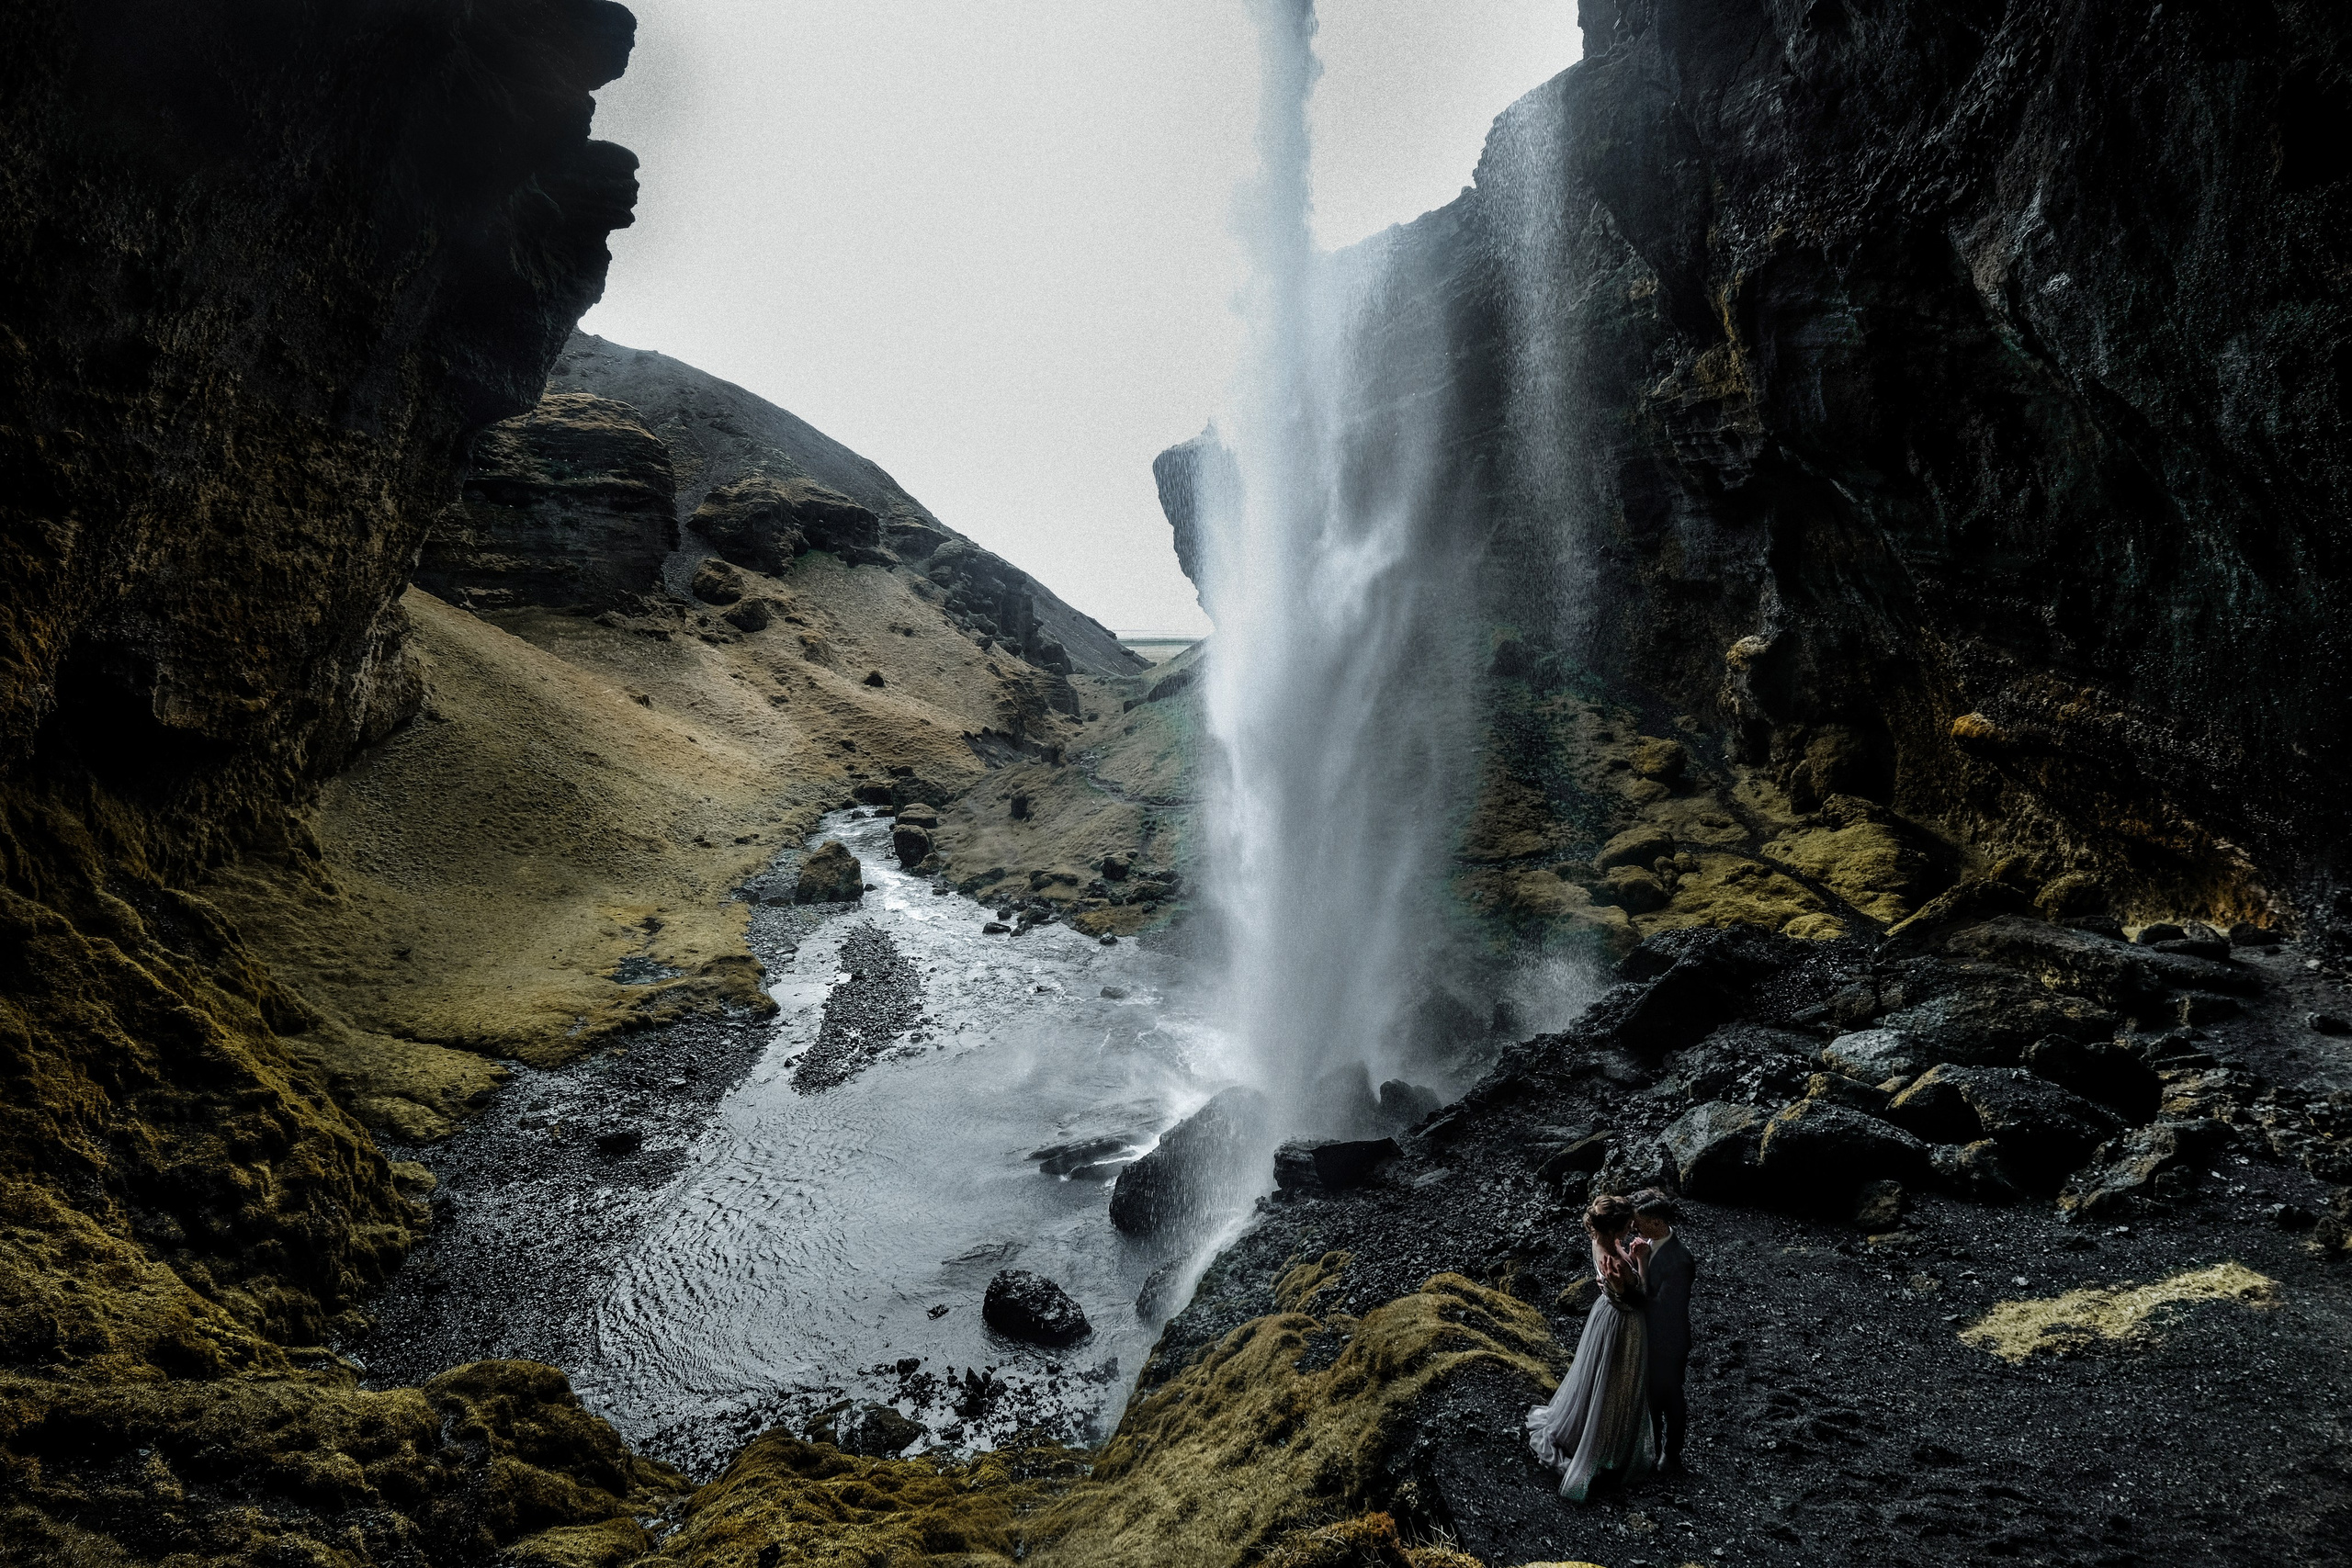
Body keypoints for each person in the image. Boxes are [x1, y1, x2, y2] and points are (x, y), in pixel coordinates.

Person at [1525, 1192, 1657, 1500]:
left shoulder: (1601, 1242)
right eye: (1627, 1225)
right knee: (1615, 1384)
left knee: (1594, 1379)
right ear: (1614, 1229)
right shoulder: (1617, 1262)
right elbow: (1642, 1299)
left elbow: (1616, 1279)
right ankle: (1606, 1446)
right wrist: (1642, 1260)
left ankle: (1579, 1430)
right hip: (1622, 1324)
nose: (1631, 1228)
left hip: (1603, 1315)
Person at [1629, 1187, 1696, 1473]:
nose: (1633, 1227)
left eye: (1638, 1222)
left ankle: (1670, 1454)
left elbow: (1663, 1308)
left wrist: (1626, 1292)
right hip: (1653, 1337)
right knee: (1653, 1397)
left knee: (1668, 1398)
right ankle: (1653, 1450)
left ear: (1656, 1222)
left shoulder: (1680, 1261)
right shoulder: (1649, 1242)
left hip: (1668, 1342)